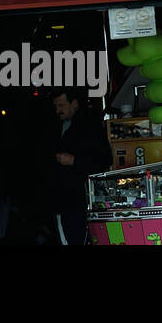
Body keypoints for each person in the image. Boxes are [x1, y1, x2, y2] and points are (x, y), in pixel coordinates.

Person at [49, 88, 112, 246]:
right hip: (62, 198)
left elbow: (104, 160)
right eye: (56, 106)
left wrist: (74, 161)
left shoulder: (90, 126)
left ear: (74, 103)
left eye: (62, 105)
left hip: (82, 198)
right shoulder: (55, 126)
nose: (58, 110)